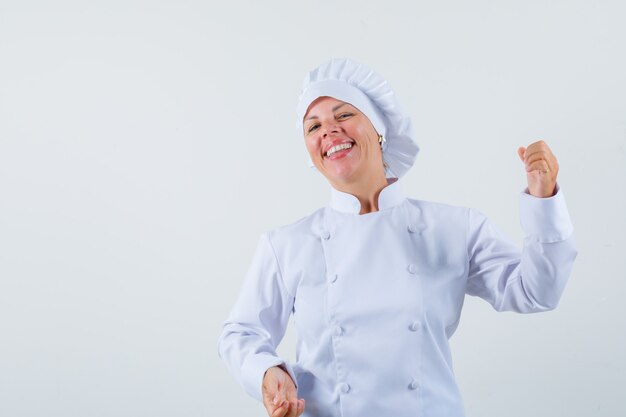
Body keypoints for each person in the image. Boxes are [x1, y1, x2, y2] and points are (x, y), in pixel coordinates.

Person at [217, 58, 577, 417]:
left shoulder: (453, 227)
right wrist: (268, 372)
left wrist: (543, 201)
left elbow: (536, 293)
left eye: (343, 116)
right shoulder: (286, 245)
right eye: (313, 127)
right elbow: (241, 333)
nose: (328, 131)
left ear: (379, 129)